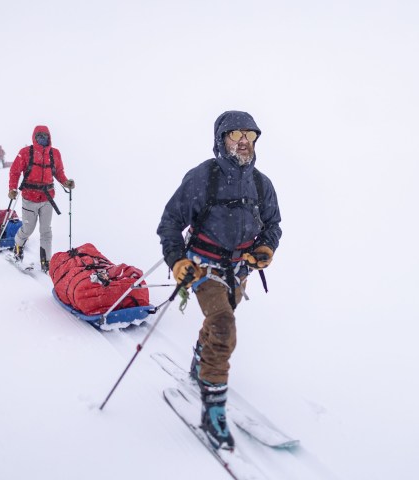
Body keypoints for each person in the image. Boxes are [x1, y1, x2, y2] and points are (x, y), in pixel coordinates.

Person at [157, 111, 282, 450]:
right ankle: (213, 412)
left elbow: (273, 225)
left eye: (251, 135)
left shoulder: (261, 184)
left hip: (240, 270)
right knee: (224, 326)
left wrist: (266, 248)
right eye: (236, 134)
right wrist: (177, 259)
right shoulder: (202, 178)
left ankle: (200, 363)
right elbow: (169, 223)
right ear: (221, 139)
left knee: (218, 321)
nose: (244, 140)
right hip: (202, 268)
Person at [8, 125, 75, 273]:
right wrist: (12, 189)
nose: (42, 139)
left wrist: (65, 182)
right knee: (28, 229)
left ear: (49, 137)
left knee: (46, 231)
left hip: (47, 199)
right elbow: (15, 171)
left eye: (45, 136)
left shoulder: (55, 153)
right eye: (39, 136)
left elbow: (59, 172)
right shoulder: (25, 152)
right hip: (29, 198)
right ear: (34, 137)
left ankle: (46, 261)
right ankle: (18, 247)